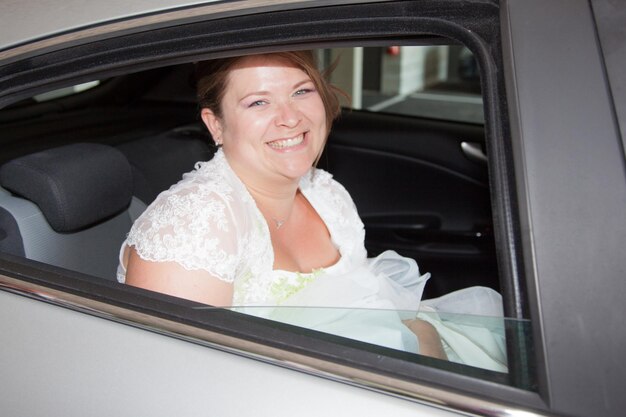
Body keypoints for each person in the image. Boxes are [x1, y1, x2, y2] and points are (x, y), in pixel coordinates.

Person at [117, 51, 505, 370]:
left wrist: (421, 338)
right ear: (215, 124)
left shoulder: (325, 193)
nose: (290, 118)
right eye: (258, 101)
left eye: (301, 91)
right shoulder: (193, 223)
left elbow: (369, 304)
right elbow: (180, 379)